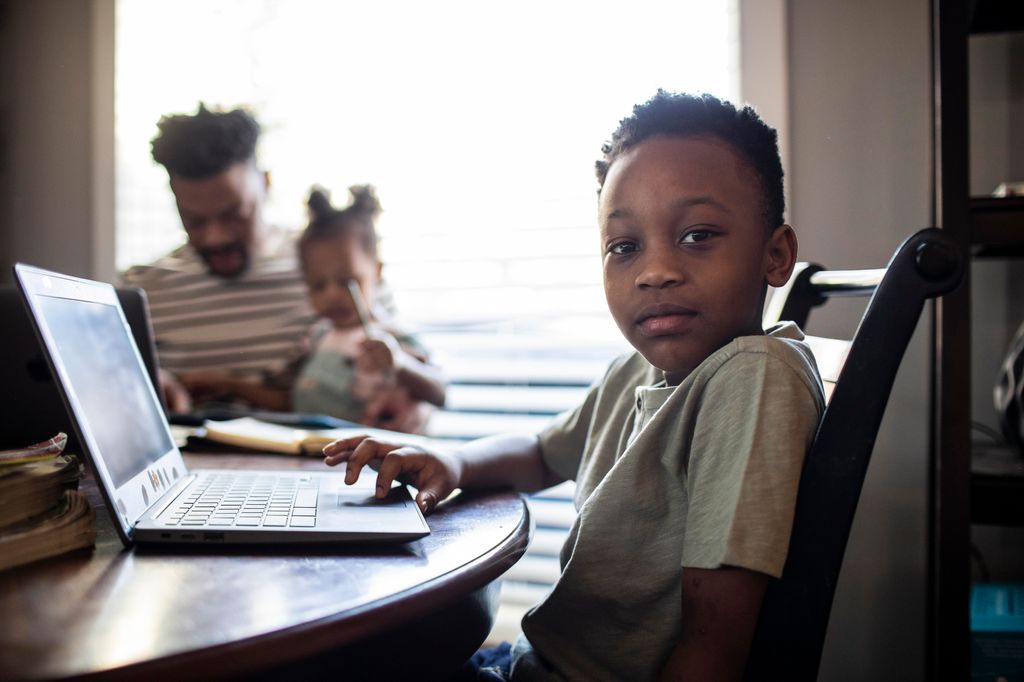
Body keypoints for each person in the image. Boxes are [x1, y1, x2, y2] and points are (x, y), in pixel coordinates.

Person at [322, 91, 826, 680]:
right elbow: (540, 453)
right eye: (624, 246)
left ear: (775, 254)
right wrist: (452, 462)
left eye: (697, 235)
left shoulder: (752, 377)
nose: (655, 270)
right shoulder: (634, 371)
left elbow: (713, 648)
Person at [183, 185, 447, 431]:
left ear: (376, 272)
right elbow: (292, 403)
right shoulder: (316, 339)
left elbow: (440, 392)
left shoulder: (391, 336)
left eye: (347, 281)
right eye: (318, 285)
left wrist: (399, 364)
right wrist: (227, 385)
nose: (332, 295)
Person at [121, 104, 315, 412]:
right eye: (194, 220)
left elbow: (403, 385)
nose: (215, 238)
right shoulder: (140, 290)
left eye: (233, 214)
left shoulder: (330, 269)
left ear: (266, 185)